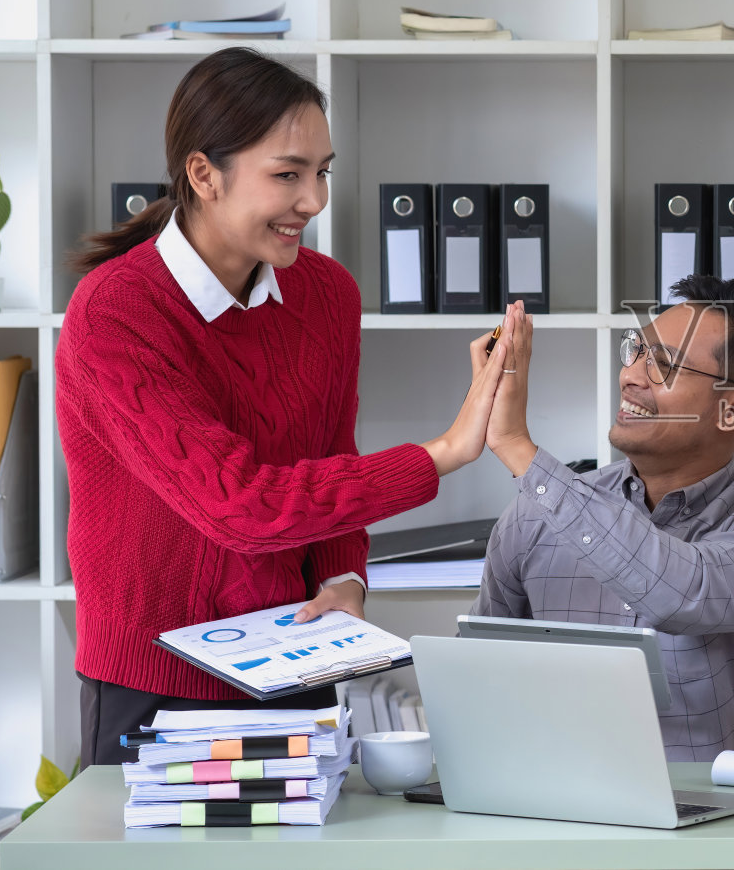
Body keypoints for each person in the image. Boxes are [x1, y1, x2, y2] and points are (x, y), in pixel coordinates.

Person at [59, 47, 515, 766]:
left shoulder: (326, 295)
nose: (315, 201)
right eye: (288, 175)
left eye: (322, 172)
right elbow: (235, 506)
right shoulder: (117, 311)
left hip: (294, 662)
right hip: (152, 685)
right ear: (204, 174)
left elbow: (332, 458)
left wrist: (343, 578)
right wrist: (444, 453)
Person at [469, 275, 734, 760]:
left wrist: (516, 447)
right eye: (636, 351)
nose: (631, 374)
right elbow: (479, 676)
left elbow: (682, 595)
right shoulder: (535, 514)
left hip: (706, 821)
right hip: (551, 816)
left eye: (664, 365)